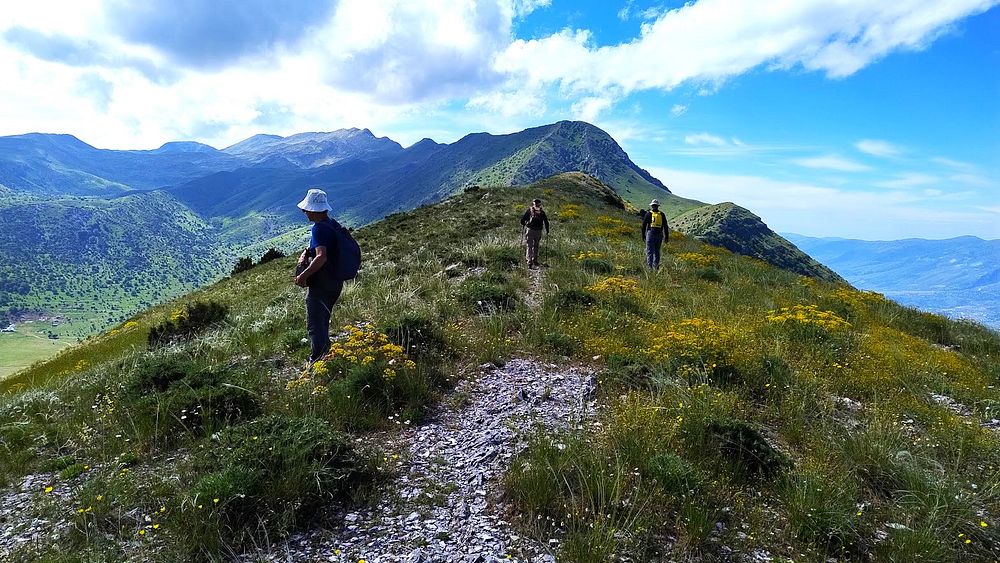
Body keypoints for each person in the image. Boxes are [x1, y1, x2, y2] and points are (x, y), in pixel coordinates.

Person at [294, 188, 344, 364]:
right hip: (335, 282)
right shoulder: (332, 224)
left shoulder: (318, 229)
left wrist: (303, 276)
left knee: (315, 323)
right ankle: (326, 355)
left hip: (323, 284)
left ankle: (319, 362)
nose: (304, 212)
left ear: (314, 209)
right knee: (323, 320)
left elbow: (321, 256)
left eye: (306, 209)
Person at [520, 198, 550, 269]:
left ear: (533, 203)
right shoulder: (542, 212)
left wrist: (524, 224)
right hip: (538, 231)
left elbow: (522, 220)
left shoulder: (530, 210)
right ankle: (535, 260)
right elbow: (546, 221)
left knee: (529, 246)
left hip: (530, 230)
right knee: (536, 245)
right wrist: (547, 230)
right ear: (540, 204)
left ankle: (529, 262)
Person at [641, 199, 669, 270]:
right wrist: (666, 237)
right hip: (659, 235)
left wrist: (643, 235)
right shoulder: (662, 214)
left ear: (652, 206)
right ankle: (656, 267)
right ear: (658, 206)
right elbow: (665, 226)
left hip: (650, 234)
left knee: (650, 251)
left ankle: (649, 268)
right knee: (657, 251)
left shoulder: (648, 214)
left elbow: (644, 225)